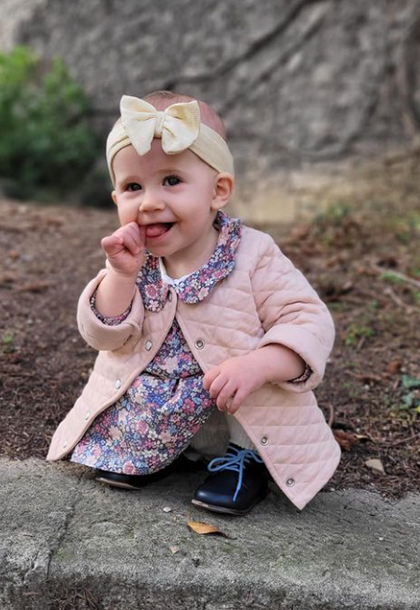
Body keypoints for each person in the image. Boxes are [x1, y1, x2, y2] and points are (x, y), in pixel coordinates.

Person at [46, 91, 341, 515]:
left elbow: (308, 320)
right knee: (133, 396)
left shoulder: (252, 254)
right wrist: (120, 276)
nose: (148, 202)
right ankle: (154, 453)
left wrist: (260, 364)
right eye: (133, 187)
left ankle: (244, 463)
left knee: (241, 380)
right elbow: (103, 332)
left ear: (218, 190)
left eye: (171, 181)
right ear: (117, 201)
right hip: (158, 408)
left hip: (235, 409)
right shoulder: (133, 260)